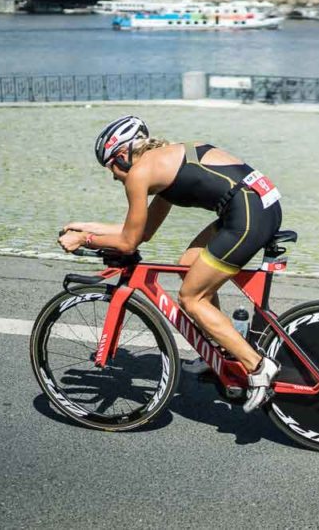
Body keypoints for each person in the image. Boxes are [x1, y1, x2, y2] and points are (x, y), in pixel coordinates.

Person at [58, 116, 282, 413]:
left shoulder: (140, 173)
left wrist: (84, 240)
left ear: (123, 156)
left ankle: (257, 368)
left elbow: (128, 243)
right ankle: (219, 349)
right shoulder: (165, 160)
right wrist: (86, 226)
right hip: (256, 205)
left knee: (191, 297)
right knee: (189, 264)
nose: (113, 176)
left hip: (248, 215)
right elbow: (143, 231)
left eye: (110, 166)